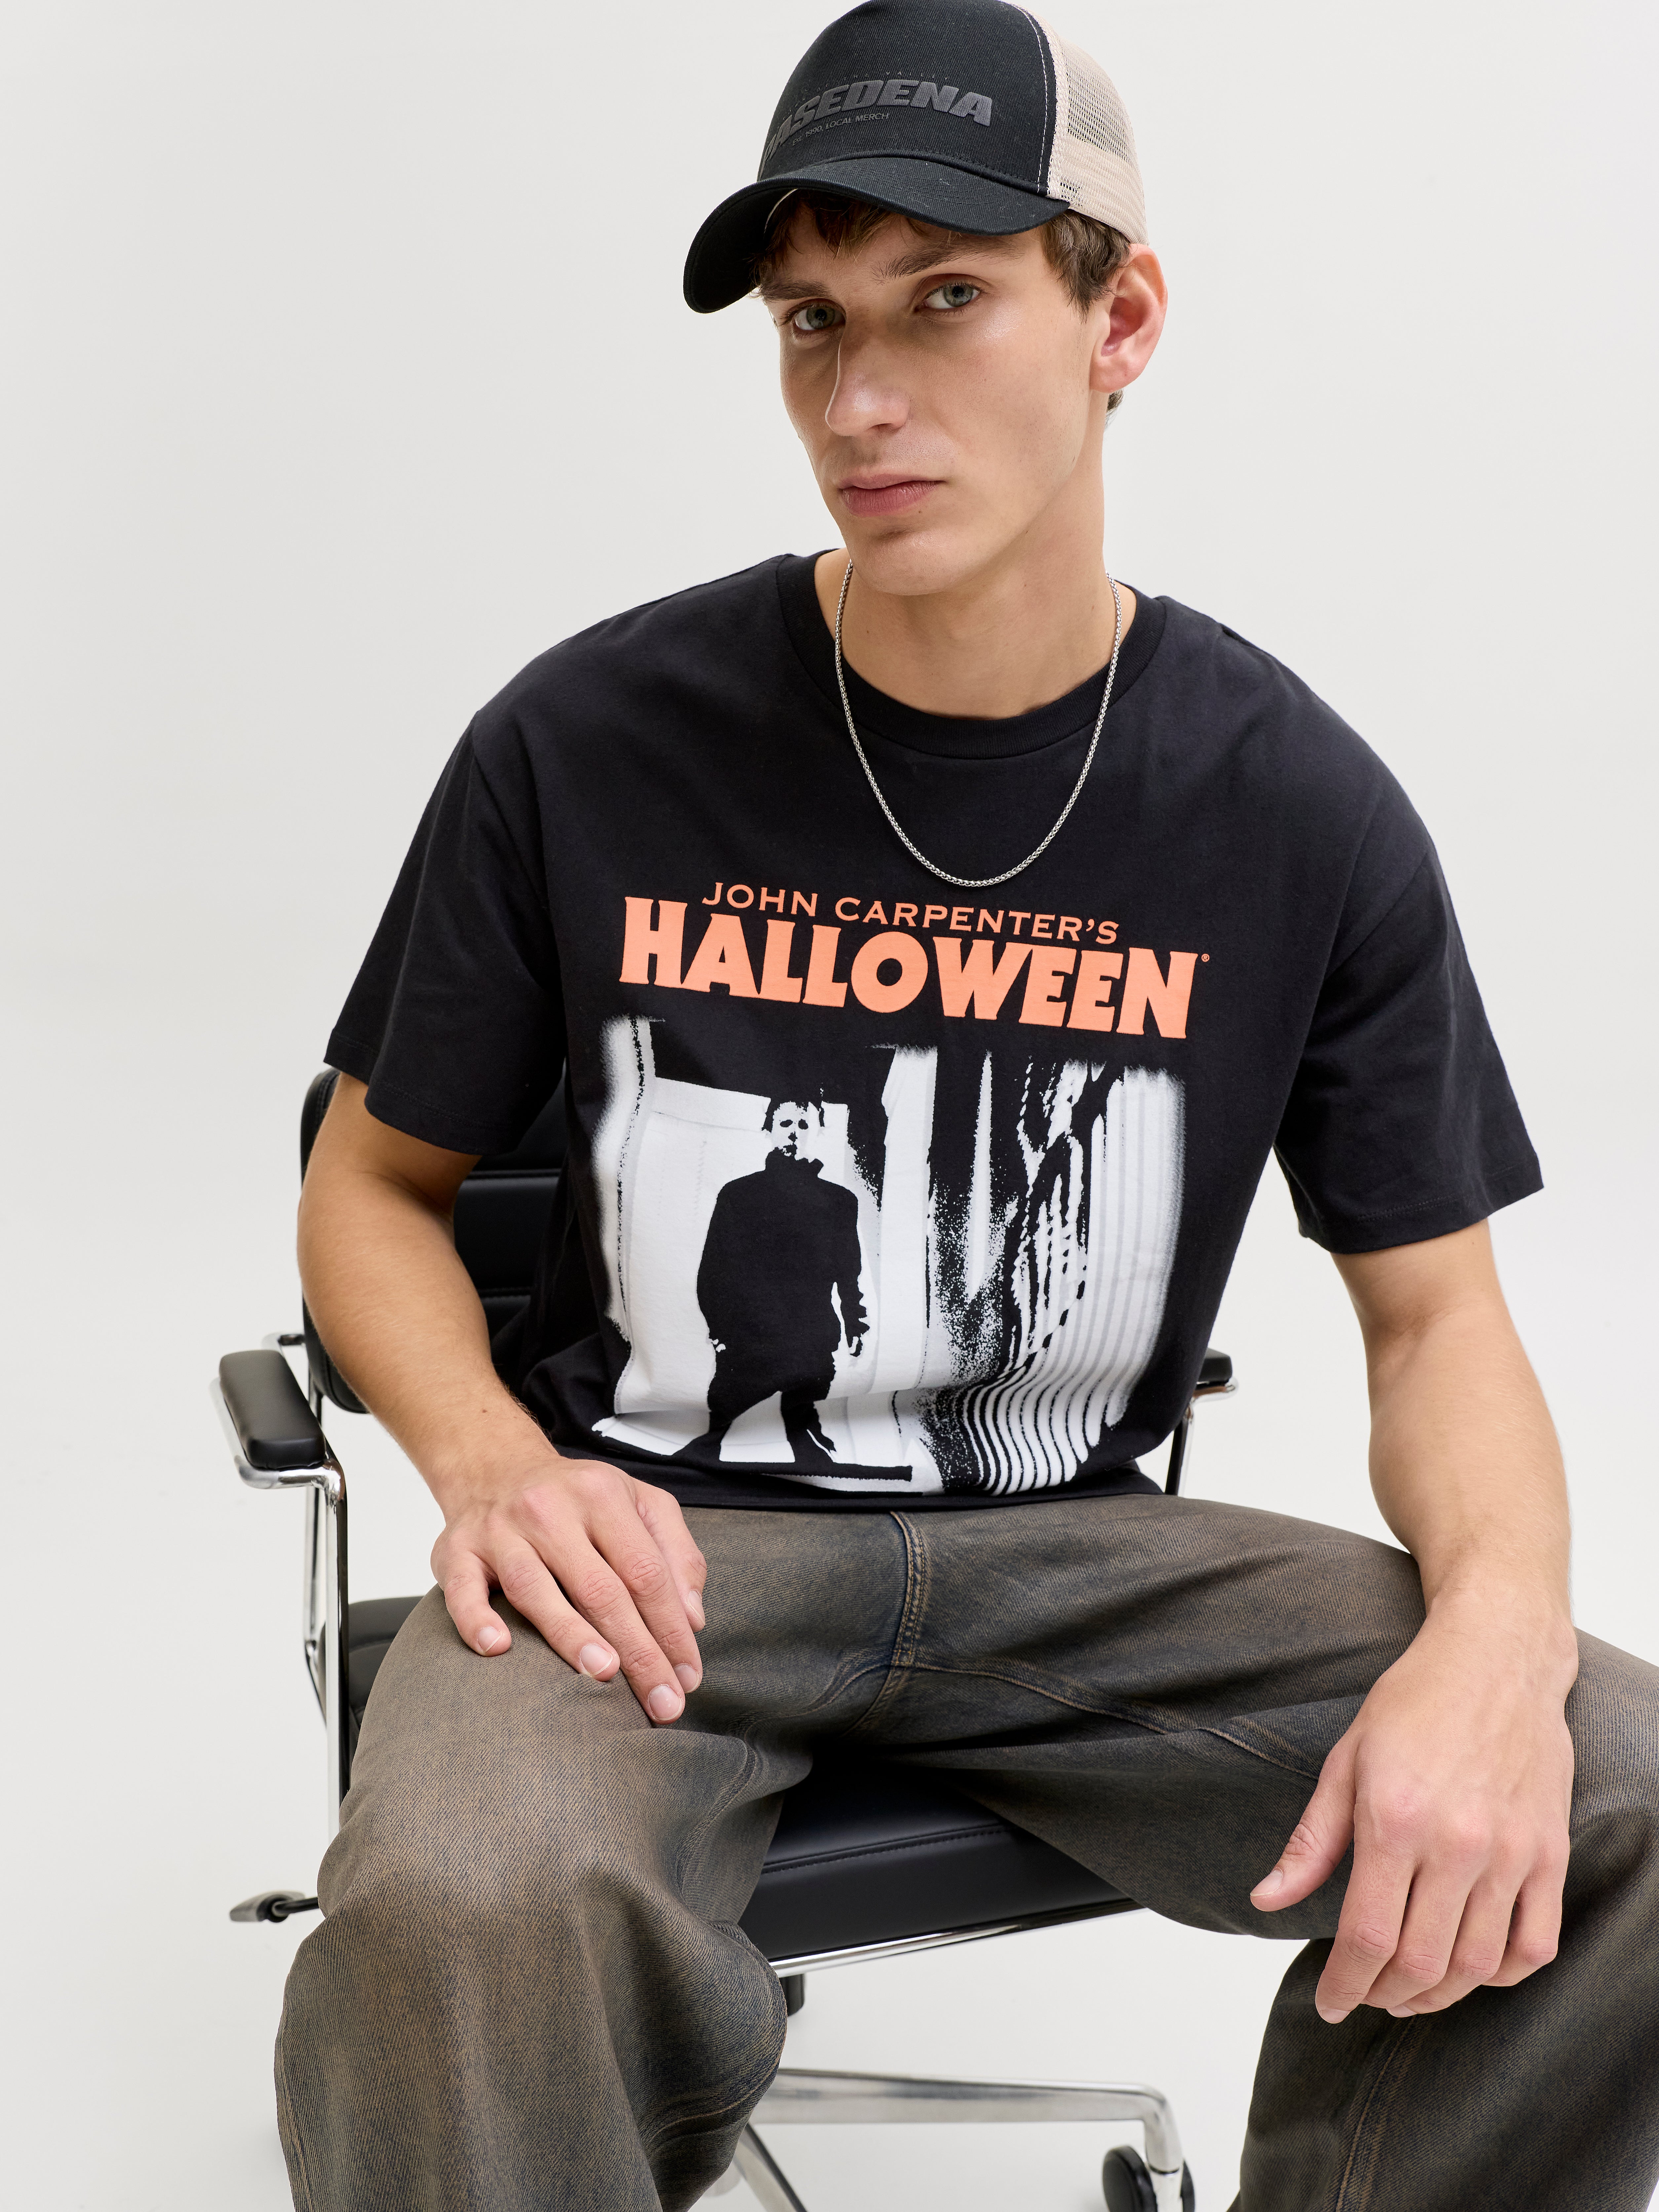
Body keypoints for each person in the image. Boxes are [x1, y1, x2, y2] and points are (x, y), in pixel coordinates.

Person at [280, 3, 1659, 2206]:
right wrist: (495, 1461)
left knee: (1626, 1783)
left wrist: (1497, 1639)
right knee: (459, 1903)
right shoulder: (587, 740)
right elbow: (373, 1180)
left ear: (1123, 321)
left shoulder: (1293, 808)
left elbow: (1436, 1319)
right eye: (811, 322)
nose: (859, 397)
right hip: (659, 1555)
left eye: (943, 298)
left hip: (1071, 1565)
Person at [691, 1097, 868, 1467]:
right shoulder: (738, 1195)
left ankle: (815, 1458)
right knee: (721, 1420)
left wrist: (856, 1322)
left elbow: (848, 1271)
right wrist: (720, 1331)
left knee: (803, 1420)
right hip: (748, 1336)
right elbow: (714, 1270)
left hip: (812, 1337)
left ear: (819, 1132)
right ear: (768, 1128)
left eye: (804, 1125)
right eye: (785, 1123)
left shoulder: (840, 1201)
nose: (794, 1133)